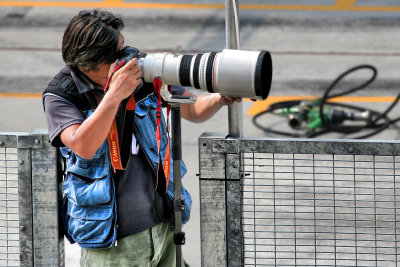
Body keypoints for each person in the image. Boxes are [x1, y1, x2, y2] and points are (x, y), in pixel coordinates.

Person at [42, 9, 240, 267]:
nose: (128, 57)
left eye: (124, 47)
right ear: (87, 64)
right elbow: (84, 145)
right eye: (117, 54)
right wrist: (115, 94)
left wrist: (218, 98)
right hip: (111, 243)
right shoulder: (62, 95)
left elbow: (191, 109)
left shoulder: (142, 73)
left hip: (164, 228)